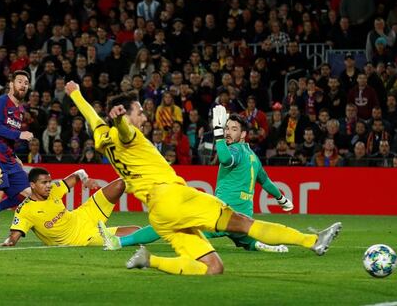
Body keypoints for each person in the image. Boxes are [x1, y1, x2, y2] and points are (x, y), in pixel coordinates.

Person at [65, 81, 341, 276]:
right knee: (243, 223)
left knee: (213, 267)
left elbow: (92, 118)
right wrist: (121, 120)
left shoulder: (102, 137)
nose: (144, 115)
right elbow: (125, 132)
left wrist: (76, 95)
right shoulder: (130, 134)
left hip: (158, 212)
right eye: (139, 111)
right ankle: (312, 241)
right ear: (126, 114)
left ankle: (150, 259)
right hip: (173, 196)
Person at [100, 114, 291, 253]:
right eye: (226, 128)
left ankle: (118, 242)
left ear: (243, 135)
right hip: (243, 215)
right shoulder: (254, 157)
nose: (228, 132)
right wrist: (281, 198)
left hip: (221, 213)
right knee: (249, 241)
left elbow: (224, 158)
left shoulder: (236, 151)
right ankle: (268, 245)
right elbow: (265, 182)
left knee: (171, 223)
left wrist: (217, 134)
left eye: (234, 129)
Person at [1, 167, 139, 247]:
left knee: (120, 184)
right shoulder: (25, 210)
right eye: (44, 183)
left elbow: (79, 173)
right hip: (82, 238)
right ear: (32, 185)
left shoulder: (54, 189)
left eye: (49, 181)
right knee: (137, 231)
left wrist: (85, 179)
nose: (49, 185)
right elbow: (14, 236)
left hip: (84, 215)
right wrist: (9, 242)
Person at [0, 70, 33, 232]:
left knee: (29, 193)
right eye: (19, 81)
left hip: (9, 157)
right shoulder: (1, 102)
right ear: (11, 84)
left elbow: (9, 136)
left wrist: (16, 155)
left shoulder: (20, 110)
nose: (23, 85)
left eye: (26, 83)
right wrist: (20, 134)